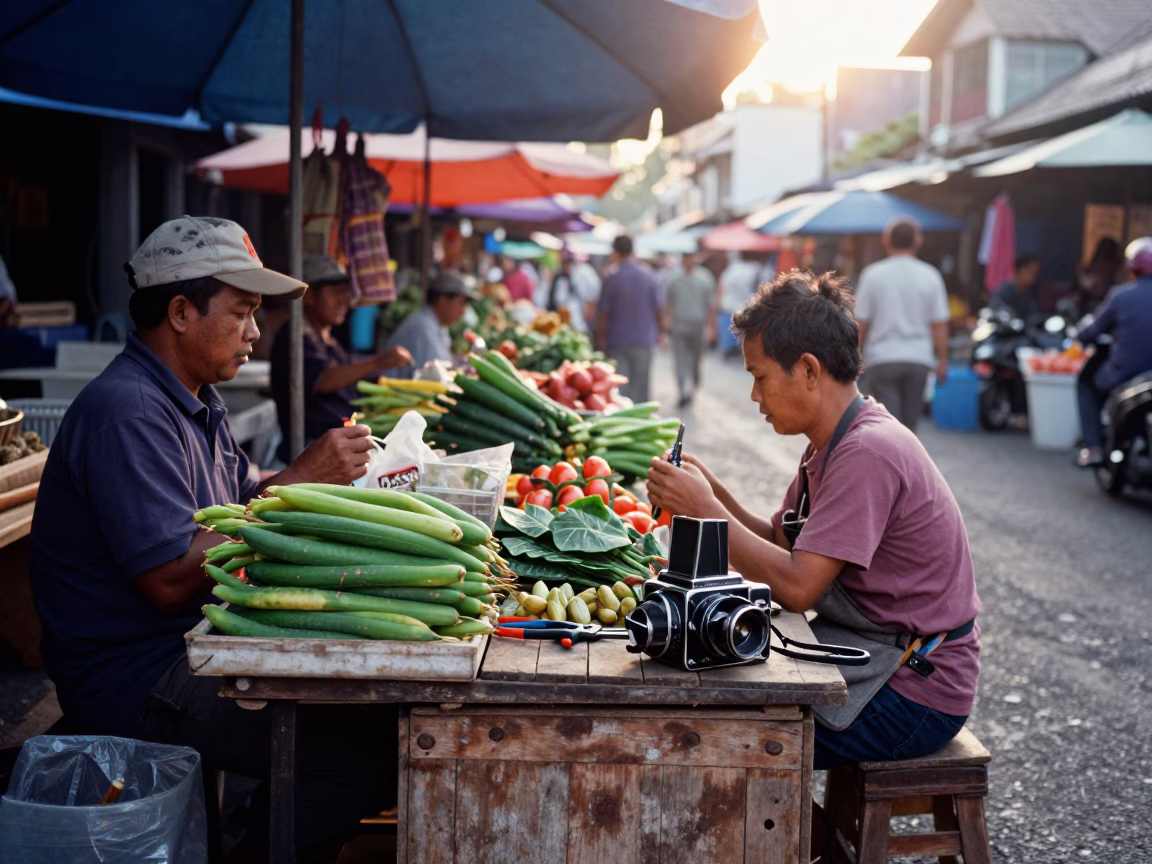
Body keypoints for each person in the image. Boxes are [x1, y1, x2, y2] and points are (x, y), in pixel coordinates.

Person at [29, 217, 394, 863]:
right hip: (139, 675)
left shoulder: (193, 402)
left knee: (369, 719)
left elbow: (236, 506)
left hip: (198, 645)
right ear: (179, 311)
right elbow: (170, 579)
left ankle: (252, 831)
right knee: (354, 759)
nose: (256, 332)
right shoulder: (128, 411)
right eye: (243, 312)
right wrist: (298, 481)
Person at [646, 269, 980, 776]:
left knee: (723, 738)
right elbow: (780, 544)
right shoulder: (831, 445)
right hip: (869, 657)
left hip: (914, 692)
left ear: (807, 369)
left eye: (759, 377)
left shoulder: (868, 452)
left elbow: (797, 587)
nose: (755, 396)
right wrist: (713, 493)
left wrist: (703, 510)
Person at [271, 254, 412, 462]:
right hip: (308, 450)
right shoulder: (295, 337)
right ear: (309, 297)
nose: (344, 301)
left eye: (346, 293)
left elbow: (348, 368)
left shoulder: (328, 339)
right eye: (335, 293)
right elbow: (324, 379)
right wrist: (377, 362)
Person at [855, 218, 950, 433]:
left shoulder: (873, 275)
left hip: (882, 359)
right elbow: (939, 324)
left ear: (886, 241)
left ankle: (893, 466)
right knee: (909, 429)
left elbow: (861, 323)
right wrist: (943, 360)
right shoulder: (931, 276)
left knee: (888, 428)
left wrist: (852, 358)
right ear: (918, 241)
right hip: (919, 360)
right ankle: (906, 465)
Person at [1075, 237, 1152, 468]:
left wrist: (1082, 331)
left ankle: (1094, 447)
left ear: (1132, 270)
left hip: (1125, 374)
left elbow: (1091, 331)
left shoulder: (1121, 296)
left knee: (1086, 383)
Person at [595, 235, 663, 403]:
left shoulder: (611, 279)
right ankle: (643, 424)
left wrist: (599, 340)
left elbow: (603, 314)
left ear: (615, 252)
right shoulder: (649, 276)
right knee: (641, 388)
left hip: (618, 341)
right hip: (643, 339)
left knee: (621, 391)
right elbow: (658, 310)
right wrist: (661, 333)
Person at [384, 270, 474, 377]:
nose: (464, 310)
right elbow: (433, 375)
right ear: (443, 300)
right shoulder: (423, 328)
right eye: (461, 303)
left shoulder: (438, 326)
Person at [663, 252, 716, 407]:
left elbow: (711, 305)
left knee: (696, 360)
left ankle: (693, 386)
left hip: (698, 325)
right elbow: (668, 302)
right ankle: (682, 390)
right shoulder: (673, 278)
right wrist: (667, 321)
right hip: (680, 324)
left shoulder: (705, 278)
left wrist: (711, 326)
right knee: (680, 359)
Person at [716, 252, 760, 357]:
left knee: (729, 331)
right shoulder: (754, 269)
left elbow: (721, 287)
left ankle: (730, 350)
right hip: (745, 307)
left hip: (728, 307)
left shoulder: (730, 270)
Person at [547, 250, 593, 332]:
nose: (567, 266)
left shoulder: (578, 276)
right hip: (560, 318)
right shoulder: (559, 278)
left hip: (577, 320)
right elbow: (555, 299)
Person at [991, 255, 1043, 319]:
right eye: (1032, 272)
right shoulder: (1005, 290)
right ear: (1021, 269)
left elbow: (1035, 315)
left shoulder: (1031, 293)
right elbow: (996, 309)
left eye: (1036, 273)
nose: (1034, 276)